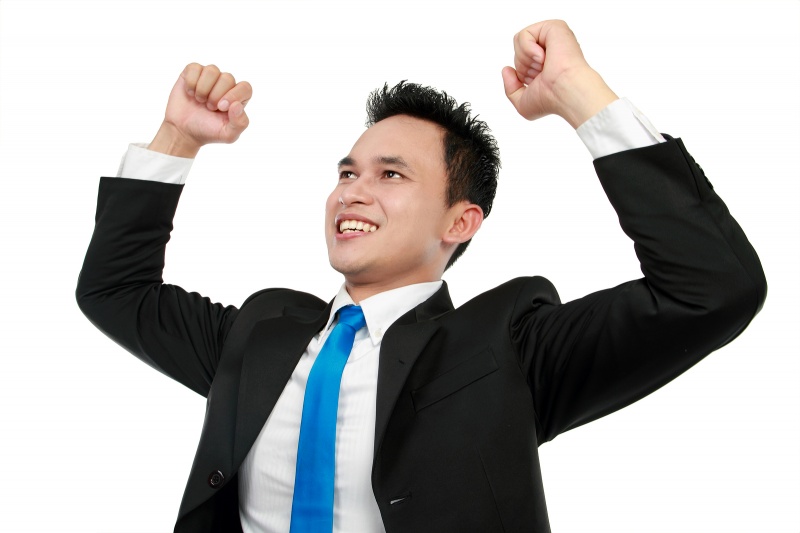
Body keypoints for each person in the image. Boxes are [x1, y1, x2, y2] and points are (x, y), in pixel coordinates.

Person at [76, 19, 766, 533]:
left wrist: (577, 93)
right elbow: (114, 289)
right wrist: (178, 139)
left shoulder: (506, 348)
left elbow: (712, 287)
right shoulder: (262, 331)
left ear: (460, 221)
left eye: (390, 175)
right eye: (347, 172)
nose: (352, 191)